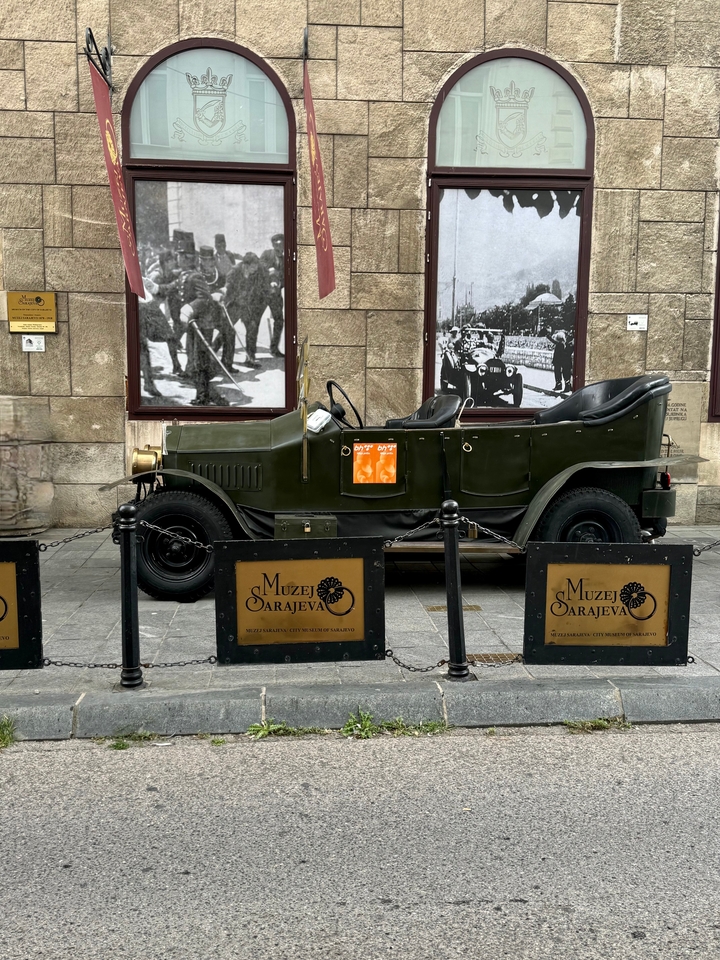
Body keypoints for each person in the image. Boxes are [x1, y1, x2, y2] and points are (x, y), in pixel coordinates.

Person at [178, 238, 228, 406]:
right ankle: (205, 393)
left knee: (200, 359)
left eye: (209, 259)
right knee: (194, 357)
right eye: (203, 259)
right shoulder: (191, 273)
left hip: (204, 321)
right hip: (194, 321)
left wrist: (219, 294)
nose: (205, 262)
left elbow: (206, 296)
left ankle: (204, 396)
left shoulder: (203, 274)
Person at [225, 252, 271, 369]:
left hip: (246, 306)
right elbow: (228, 290)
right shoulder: (234, 272)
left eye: (256, 266)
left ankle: (250, 358)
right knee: (225, 333)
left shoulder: (254, 273)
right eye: (253, 267)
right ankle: (214, 356)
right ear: (245, 265)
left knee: (252, 327)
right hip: (233, 305)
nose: (255, 269)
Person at [259, 232, 285, 357]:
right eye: (275, 245)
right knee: (254, 320)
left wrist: (279, 282)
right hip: (263, 294)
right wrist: (269, 269)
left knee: (279, 321)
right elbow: (259, 266)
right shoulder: (267, 254)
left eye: (280, 245)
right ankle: (250, 351)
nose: (278, 248)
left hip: (276, 296)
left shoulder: (287, 259)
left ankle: (274, 349)